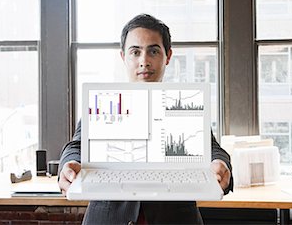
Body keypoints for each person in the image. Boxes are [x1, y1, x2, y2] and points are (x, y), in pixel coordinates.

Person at [58, 14, 233, 224]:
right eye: (135, 52)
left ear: (167, 56)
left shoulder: (183, 101)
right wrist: (69, 163)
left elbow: (212, 148)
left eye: (153, 51)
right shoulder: (105, 101)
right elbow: (76, 145)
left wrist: (220, 163)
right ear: (123, 56)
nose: (144, 61)